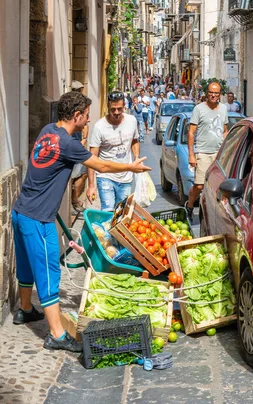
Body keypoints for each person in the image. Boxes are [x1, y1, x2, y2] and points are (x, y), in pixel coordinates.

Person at [12, 91, 150, 352]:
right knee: (50, 274)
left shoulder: (48, 130)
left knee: (27, 266)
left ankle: (26, 310)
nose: (88, 121)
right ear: (76, 116)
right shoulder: (68, 144)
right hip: (38, 219)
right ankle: (56, 334)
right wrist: (131, 168)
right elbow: (102, 166)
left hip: (20, 211)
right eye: (86, 116)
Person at [87, 91, 142, 211]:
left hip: (126, 177)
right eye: (113, 109)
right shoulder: (99, 127)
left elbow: (134, 141)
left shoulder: (132, 121)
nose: (116, 112)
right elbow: (92, 158)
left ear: (124, 107)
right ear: (108, 106)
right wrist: (91, 185)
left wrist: (137, 158)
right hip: (105, 176)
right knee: (108, 211)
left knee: (121, 213)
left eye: (119, 109)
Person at [186, 81, 229, 223]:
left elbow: (224, 131)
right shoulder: (199, 109)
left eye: (216, 93)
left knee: (218, 186)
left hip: (218, 153)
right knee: (199, 185)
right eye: (211, 92)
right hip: (202, 152)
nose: (213, 95)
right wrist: (191, 154)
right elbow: (191, 133)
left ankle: (213, 213)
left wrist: (227, 149)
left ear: (220, 94)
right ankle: (190, 205)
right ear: (206, 93)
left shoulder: (223, 109)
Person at [69, 81, 89, 212]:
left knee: (82, 173)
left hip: (78, 144)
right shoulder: (72, 108)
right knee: (77, 173)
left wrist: (84, 139)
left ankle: (74, 200)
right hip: (73, 146)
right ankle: (74, 201)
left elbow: (85, 125)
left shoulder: (81, 106)